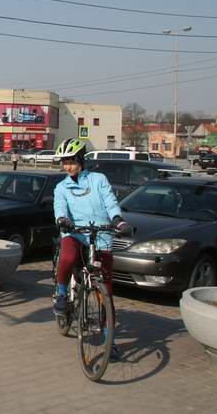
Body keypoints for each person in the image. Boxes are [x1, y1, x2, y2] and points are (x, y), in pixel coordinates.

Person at [52, 137, 131, 362]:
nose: (67, 166)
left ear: (80, 160)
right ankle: (61, 293)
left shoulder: (98, 179)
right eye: (64, 162)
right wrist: (61, 219)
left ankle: (109, 341)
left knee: (106, 290)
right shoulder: (61, 186)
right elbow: (59, 206)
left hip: (102, 232)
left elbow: (109, 200)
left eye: (71, 162)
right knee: (68, 257)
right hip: (75, 231)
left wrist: (117, 219)